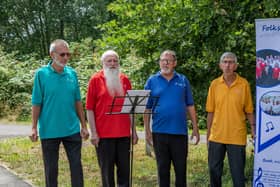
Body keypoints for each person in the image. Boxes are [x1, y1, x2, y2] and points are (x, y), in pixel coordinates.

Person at [30, 39, 89, 187]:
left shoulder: (72, 74)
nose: (66, 58)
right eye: (62, 54)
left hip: (72, 129)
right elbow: (36, 103)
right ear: (52, 55)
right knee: (51, 169)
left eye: (68, 54)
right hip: (49, 130)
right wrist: (33, 127)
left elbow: (77, 101)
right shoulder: (41, 74)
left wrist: (84, 125)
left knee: (76, 166)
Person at [143, 50, 200, 187]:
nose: (165, 63)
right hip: (159, 132)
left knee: (181, 171)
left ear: (175, 63)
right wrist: (147, 131)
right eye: (162, 60)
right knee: (162, 170)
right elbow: (146, 108)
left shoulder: (183, 80)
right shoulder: (152, 80)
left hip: (179, 133)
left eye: (168, 60)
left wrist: (195, 127)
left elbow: (190, 105)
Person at [86, 50, 138, 187]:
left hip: (124, 135)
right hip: (104, 136)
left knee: (125, 174)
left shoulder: (125, 80)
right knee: (107, 174)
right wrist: (94, 133)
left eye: (115, 61)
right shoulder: (95, 80)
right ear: (103, 63)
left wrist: (134, 131)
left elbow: (131, 108)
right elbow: (89, 109)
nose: (113, 64)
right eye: (109, 61)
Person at [206, 52, 255, 187]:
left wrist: (253, 129)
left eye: (231, 62)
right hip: (217, 136)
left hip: (237, 136)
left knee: (238, 175)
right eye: (225, 62)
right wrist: (208, 134)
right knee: (214, 171)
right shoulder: (214, 84)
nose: (228, 65)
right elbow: (210, 111)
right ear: (220, 65)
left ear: (236, 65)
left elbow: (249, 110)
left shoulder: (244, 84)